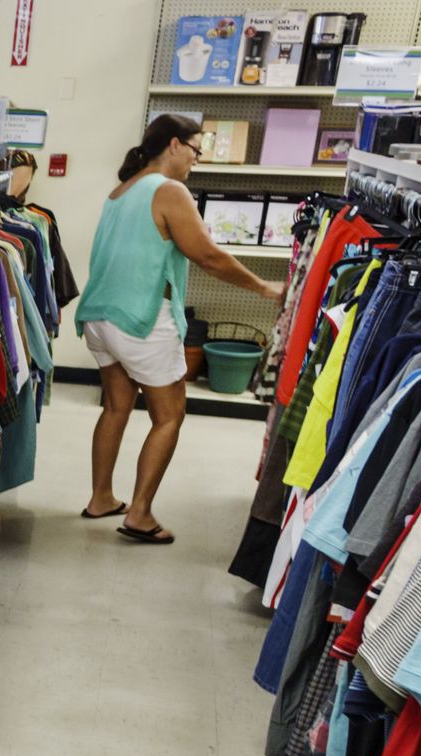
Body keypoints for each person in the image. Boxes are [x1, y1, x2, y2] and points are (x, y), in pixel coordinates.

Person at [72, 113, 283, 545]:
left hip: (99, 315)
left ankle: (101, 498)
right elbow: (208, 256)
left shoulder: (122, 190)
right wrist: (263, 287)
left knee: (116, 407)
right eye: (195, 149)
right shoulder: (170, 191)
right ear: (173, 145)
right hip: (142, 320)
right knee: (169, 417)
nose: (196, 160)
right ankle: (140, 515)